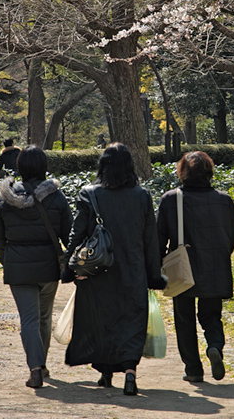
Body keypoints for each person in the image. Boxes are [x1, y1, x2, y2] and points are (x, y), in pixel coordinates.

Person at [62, 142, 166, 396]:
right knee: (131, 321)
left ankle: (106, 372)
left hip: (98, 272)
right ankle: (130, 375)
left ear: (103, 166)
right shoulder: (141, 196)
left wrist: (68, 268)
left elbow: (77, 234)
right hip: (133, 271)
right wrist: (154, 275)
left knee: (101, 320)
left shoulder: (90, 194)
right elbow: (150, 241)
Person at [0, 145, 73, 389]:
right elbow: (69, 233)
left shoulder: (5, 197)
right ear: (44, 166)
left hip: (19, 267)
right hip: (48, 265)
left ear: (20, 166)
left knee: (29, 319)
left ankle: (35, 370)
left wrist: (8, 258)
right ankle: (42, 365)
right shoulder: (56, 197)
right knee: (44, 317)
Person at [157, 150, 234, 383]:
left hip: (182, 268)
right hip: (215, 266)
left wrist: (158, 266)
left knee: (184, 319)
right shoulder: (224, 200)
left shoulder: (171, 199)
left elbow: (158, 238)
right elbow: (231, 235)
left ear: (182, 171)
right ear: (209, 172)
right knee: (212, 314)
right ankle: (215, 345)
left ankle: (193, 369)